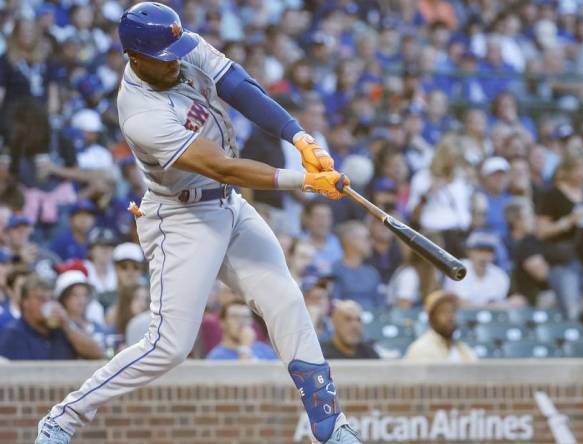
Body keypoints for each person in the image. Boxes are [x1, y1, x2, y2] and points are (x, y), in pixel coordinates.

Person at [37, 5, 360, 444]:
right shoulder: (140, 113)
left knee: (285, 300)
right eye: (164, 56)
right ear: (134, 57)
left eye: (176, 50)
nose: (175, 59)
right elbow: (222, 167)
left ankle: (332, 426)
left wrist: (299, 136)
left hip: (229, 206)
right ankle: (63, 419)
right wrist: (305, 181)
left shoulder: (178, 47)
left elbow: (240, 87)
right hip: (182, 217)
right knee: (167, 345)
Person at [536, 147, 583, 322]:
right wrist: (567, 222)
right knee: (571, 315)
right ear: (567, 169)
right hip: (564, 261)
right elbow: (541, 231)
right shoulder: (552, 194)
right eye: (577, 168)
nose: (581, 172)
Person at [0, 274, 105, 360]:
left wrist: (67, 325)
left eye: (51, 298)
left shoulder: (64, 329)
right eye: (41, 299)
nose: (47, 304)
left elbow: (97, 355)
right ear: (25, 302)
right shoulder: (13, 334)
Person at [404, 290, 476, 362]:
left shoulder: (463, 350)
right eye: (444, 312)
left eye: (453, 311)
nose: (450, 317)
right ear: (432, 317)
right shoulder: (420, 348)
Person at [444, 231, 510, 307]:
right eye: (479, 251)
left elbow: (502, 305)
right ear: (469, 252)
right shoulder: (457, 269)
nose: (484, 256)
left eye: (488, 252)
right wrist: (490, 306)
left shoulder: (500, 275)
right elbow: (457, 302)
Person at [53, 270, 109, 358]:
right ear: (63, 298)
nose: (81, 300)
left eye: (85, 295)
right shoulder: (57, 328)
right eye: (75, 295)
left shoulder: (97, 326)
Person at [331, 221, 385, 310]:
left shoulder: (372, 272)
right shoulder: (335, 270)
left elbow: (381, 304)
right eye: (366, 238)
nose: (371, 242)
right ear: (350, 240)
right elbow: (334, 303)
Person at [206, 299, 277, 361]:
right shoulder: (216, 358)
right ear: (223, 323)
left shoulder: (266, 351)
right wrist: (245, 347)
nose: (241, 321)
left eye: (246, 317)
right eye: (235, 316)